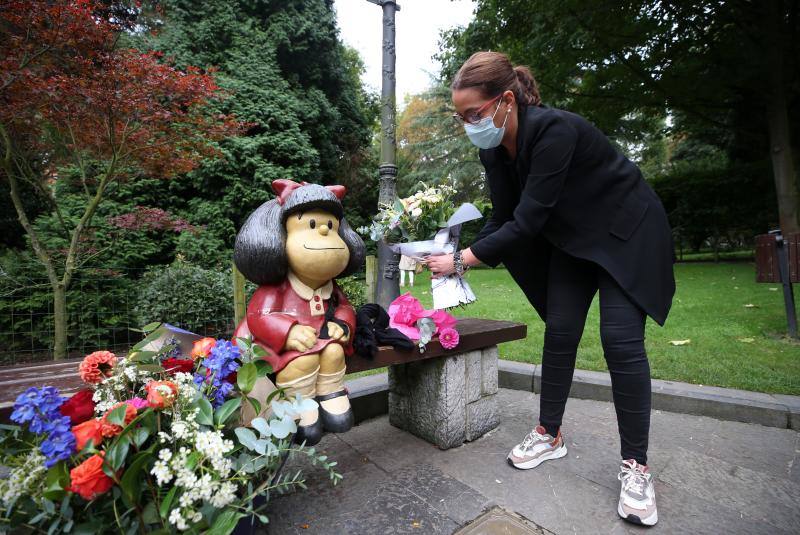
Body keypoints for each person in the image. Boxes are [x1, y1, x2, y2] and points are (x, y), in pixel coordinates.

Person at [425, 51, 675, 527]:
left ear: (504, 101)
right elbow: (503, 215)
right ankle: (550, 434)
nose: (468, 125)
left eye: (473, 114)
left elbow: (529, 219)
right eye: (461, 118)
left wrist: (463, 259)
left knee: (620, 342)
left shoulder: (555, 130)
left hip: (626, 232)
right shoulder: (493, 148)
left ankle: (637, 468)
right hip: (574, 240)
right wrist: (458, 254)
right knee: (560, 330)